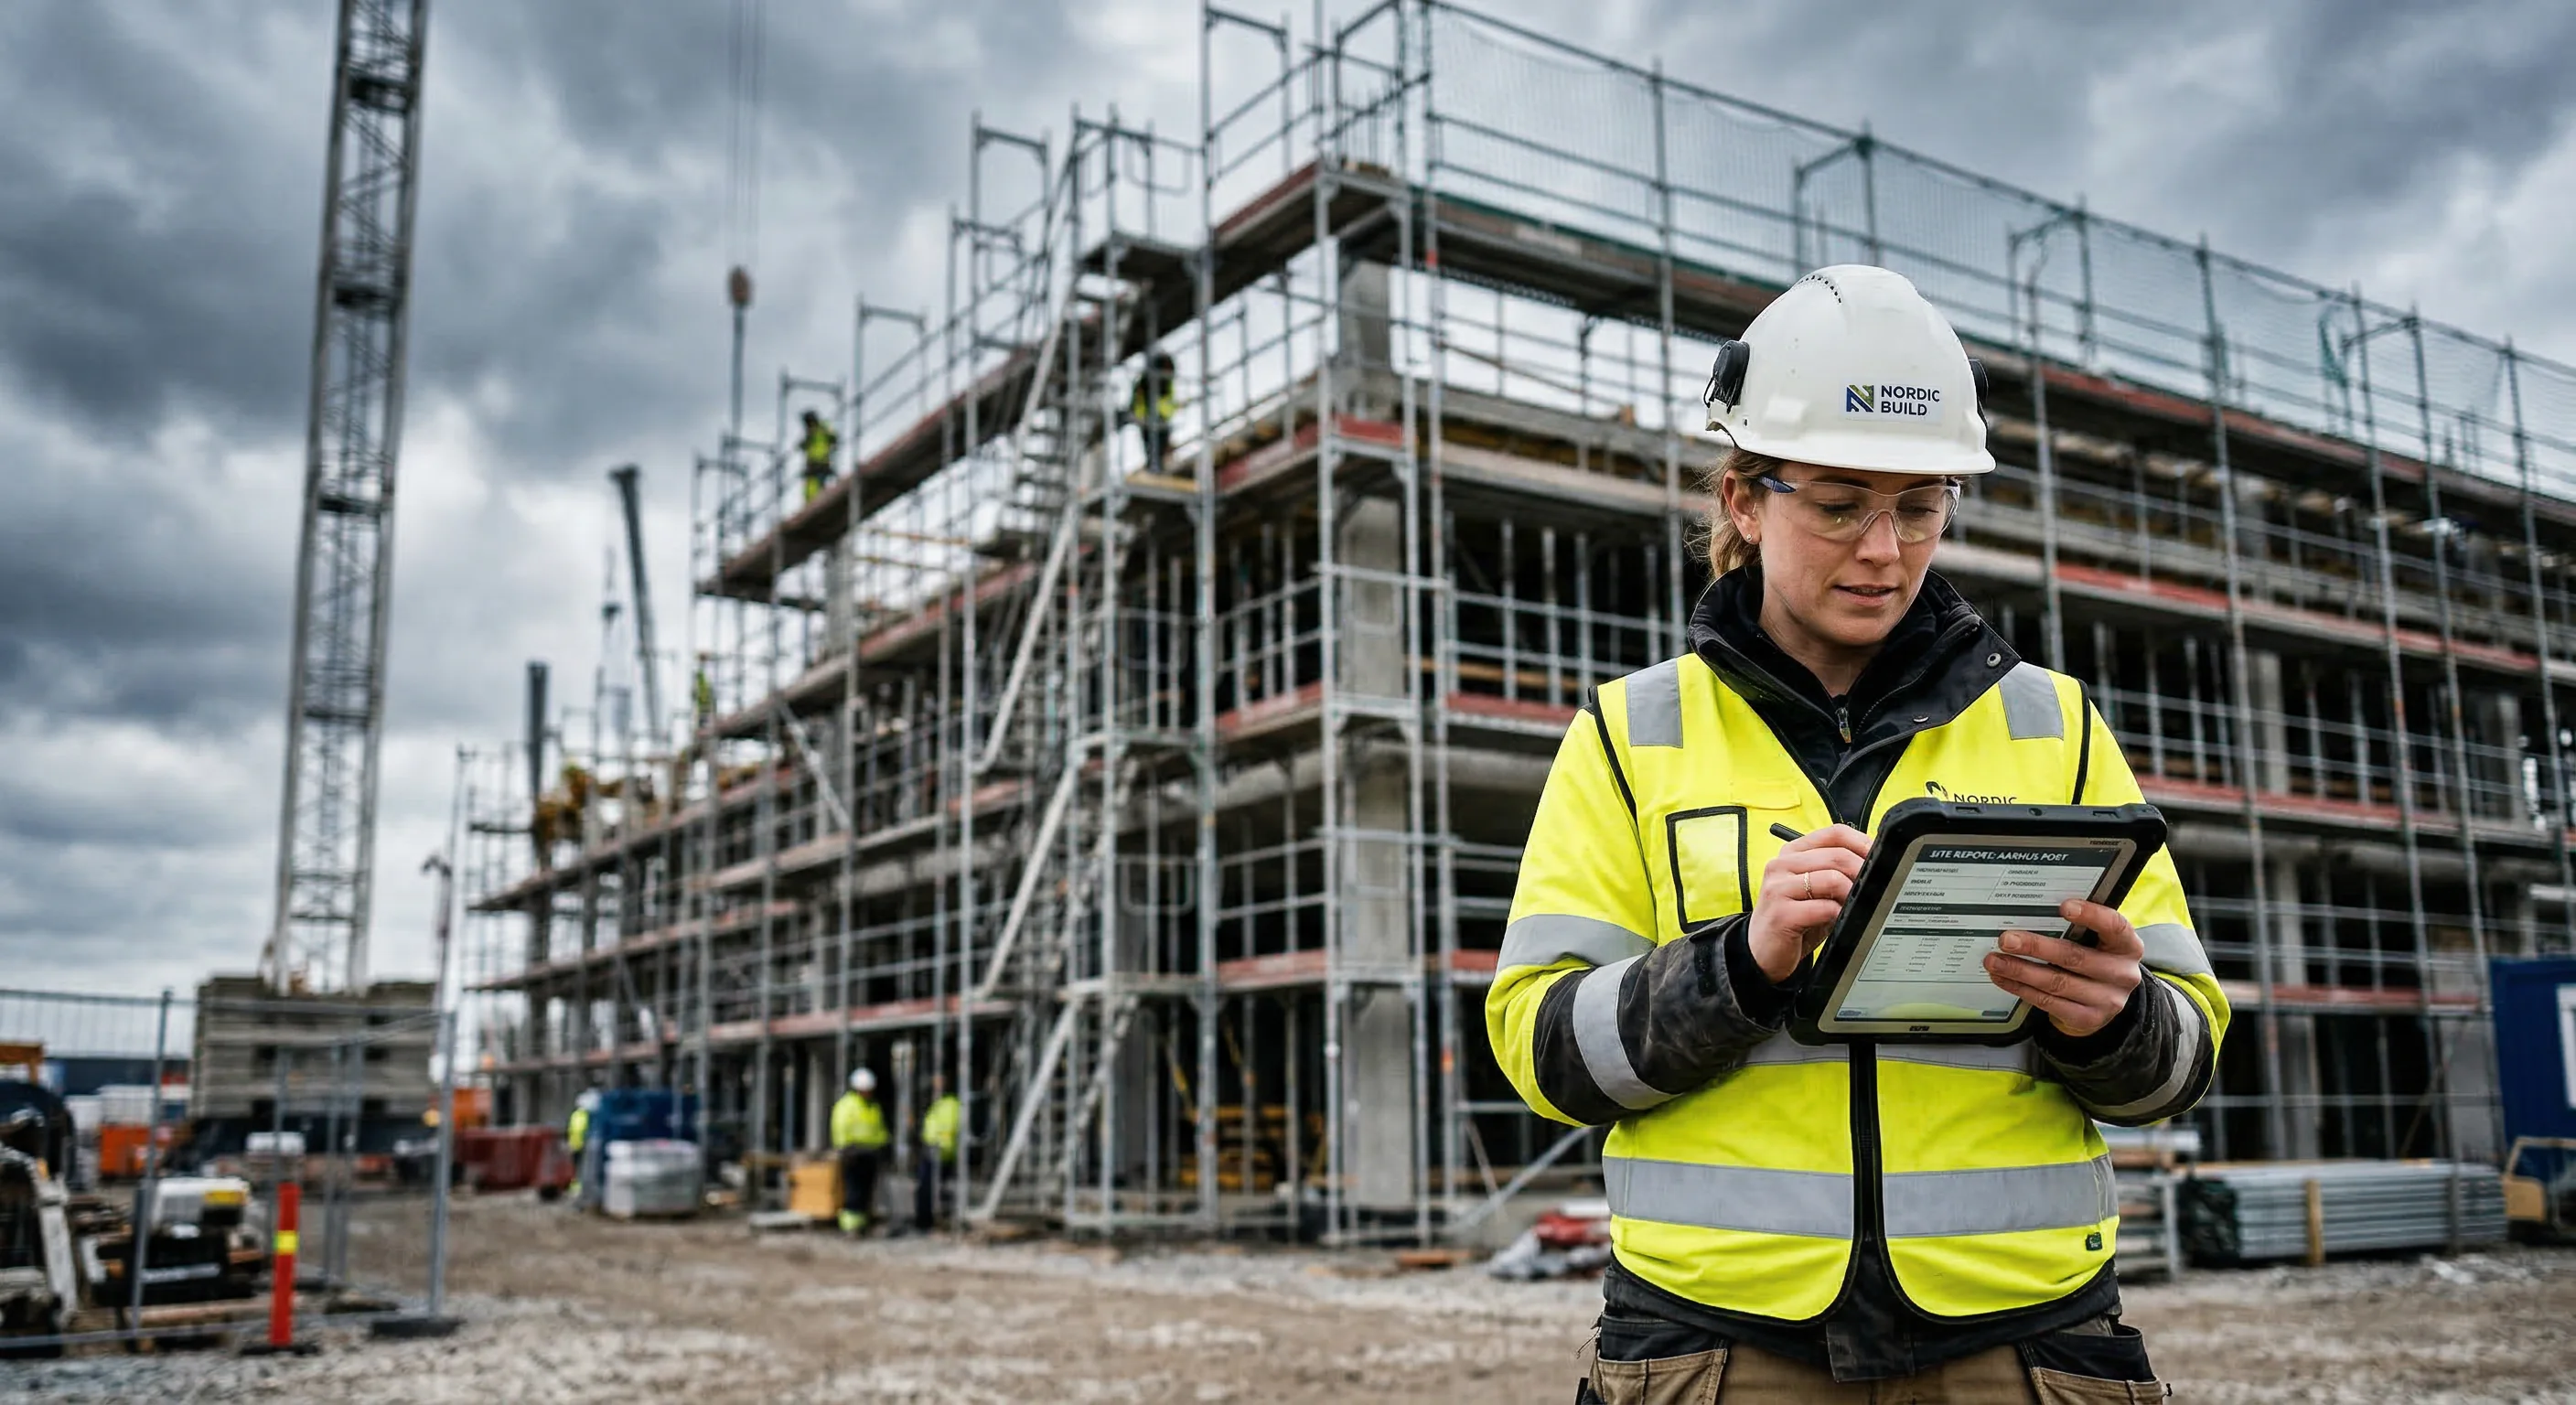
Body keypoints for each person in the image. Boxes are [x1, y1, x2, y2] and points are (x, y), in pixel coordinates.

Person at [1487, 265, 2228, 1402]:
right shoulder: (1632, 735)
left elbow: (2182, 1060)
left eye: (1919, 508)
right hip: (1723, 1338)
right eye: (1838, 504)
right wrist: (1737, 963)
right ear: (1743, 499)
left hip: (2016, 1336)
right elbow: (1541, 1050)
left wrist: (2113, 1021)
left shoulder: (2053, 725)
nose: (1883, 550)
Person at [830, 1067, 888, 1235]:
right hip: (853, 1152)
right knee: (854, 1189)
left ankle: (863, 1224)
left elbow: (879, 1128)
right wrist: (844, 1148)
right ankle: (850, 1226)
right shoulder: (847, 1105)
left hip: (870, 1152)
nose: (868, 1093)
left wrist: (883, 1144)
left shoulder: (873, 1106)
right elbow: (840, 1127)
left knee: (867, 1190)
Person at [913, 1075, 961, 1232]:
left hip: (941, 1152)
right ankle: (932, 1221)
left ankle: (927, 1222)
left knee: (928, 1189)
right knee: (931, 1188)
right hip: (935, 1150)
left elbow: (949, 1128)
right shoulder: (940, 1104)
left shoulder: (951, 1104)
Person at [1127, 350, 1179, 475]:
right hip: (1147, 419)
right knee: (1151, 447)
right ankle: (1154, 469)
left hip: (1162, 418)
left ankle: (1157, 469)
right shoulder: (1143, 383)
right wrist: (1139, 416)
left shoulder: (1166, 382)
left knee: (1160, 446)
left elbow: (1169, 400)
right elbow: (1136, 403)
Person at [564, 1087, 600, 1205]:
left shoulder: (576, 1115)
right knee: (581, 1169)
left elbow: (573, 1131)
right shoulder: (586, 1116)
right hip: (581, 1147)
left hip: (577, 1146)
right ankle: (580, 1192)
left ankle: (578, 1191)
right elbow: (580, 1131)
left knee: (578, 1169)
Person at [800, 409, 839, 505]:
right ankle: (811, 504)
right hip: (812, 464)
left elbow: (834, 438)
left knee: (819, 486)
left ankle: (819, 502)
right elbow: (803, 446)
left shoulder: (822, 430)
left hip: (821, 463)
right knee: (810, 488)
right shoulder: (810, 434)